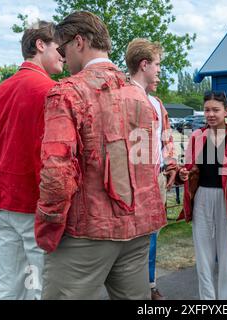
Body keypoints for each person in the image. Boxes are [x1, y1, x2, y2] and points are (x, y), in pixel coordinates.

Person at [35, 12, 167, 300]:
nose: (63, 58)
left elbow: (57, 171)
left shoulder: (67, 92)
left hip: (86, 231)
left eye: (62, 49)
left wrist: (48, 222)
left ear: (78, 41)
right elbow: (147, 162)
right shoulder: (139, 96)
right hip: (137, 227)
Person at [0, 21, 63, 300]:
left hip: (3, 200)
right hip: (36, 203)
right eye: (58, 47)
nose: (63, 54)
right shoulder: (53, 91)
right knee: (39, 286)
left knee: (8, 284)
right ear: (40, 45)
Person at [177, 90, 227, 300]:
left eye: (215, 110)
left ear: (226, 111)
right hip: (202, 198)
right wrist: (184, 173)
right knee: (203, 259)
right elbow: (189, 168)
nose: (210, 114)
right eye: (207, 110)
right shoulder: (196, 137)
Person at [125, 38, 177, 300]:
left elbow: (165, 137)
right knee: (127, 238)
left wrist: (171, 164)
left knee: (151, 235)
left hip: (154, 180)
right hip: (127, 182)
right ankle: (128, 288)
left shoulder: (157, 103)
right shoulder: (120, 97)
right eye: (157, 64)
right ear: (144, 64)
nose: (159, 70)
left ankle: (149, 282)